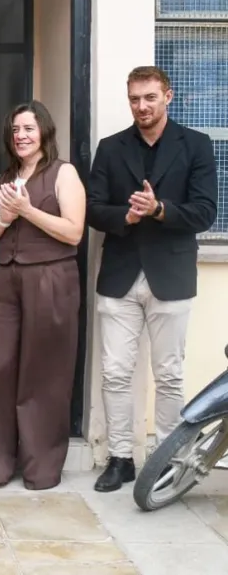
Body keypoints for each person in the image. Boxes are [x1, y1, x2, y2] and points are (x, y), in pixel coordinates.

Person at [88, 66, 218, 492]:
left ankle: (166, 460)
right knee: (115, 373)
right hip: (120, 274)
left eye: (149, 97)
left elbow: (204, 212)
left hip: (172, 273)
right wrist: (124, 215)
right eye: (134, 99)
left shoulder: (196, 145)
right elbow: (91, 208)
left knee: (169, 375)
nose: (141, 106)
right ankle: (120, 458)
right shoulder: (110, 148)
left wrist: (159, 209)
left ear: (168, 96)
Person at [0, 101, 86, 490]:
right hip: (7, 280)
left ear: (44, 132)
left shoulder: (63, 173)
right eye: (16, 129)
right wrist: (6, 215)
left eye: (28, 128)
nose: (21, 135)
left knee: (45, 373)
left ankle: (40, 468)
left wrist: (26, 210)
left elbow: (74, 232)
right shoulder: (4, 178)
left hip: (51, 278)